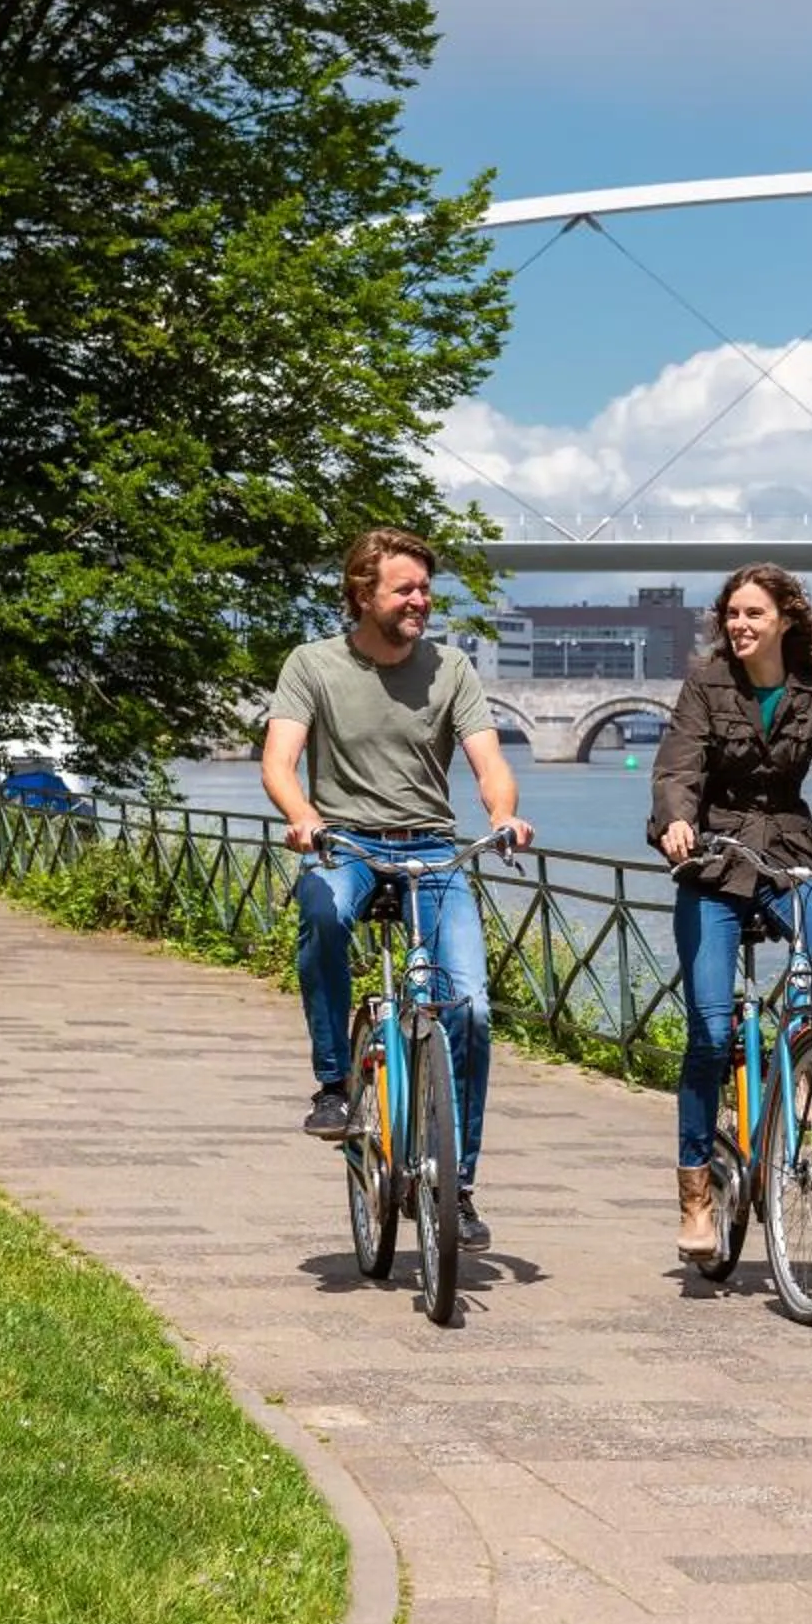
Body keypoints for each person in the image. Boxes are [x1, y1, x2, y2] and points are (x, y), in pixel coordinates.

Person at [263, 527, 530, 1252]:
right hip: (344, 842)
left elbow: (489, 765)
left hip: (432, 847)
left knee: (469, 1009)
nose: (419, 601)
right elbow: (280, 762)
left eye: (424, 590)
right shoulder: (312, 665)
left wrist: (503, 816)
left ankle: (457, 1186)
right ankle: (333, 1083)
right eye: (404, 589)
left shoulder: (451, 669)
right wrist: (304, 817)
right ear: (362, 594)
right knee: (322, 909)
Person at [647, 563, 812, 1262]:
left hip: (789, 852)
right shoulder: (706, 685)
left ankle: (801, 1071)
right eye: (732, 613)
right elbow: (677, 767)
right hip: (714, 858)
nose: (739, 625)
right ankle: (696, 1195)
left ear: (786, 620)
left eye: (753, 614)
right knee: (709, 1032)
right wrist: (677, 821)